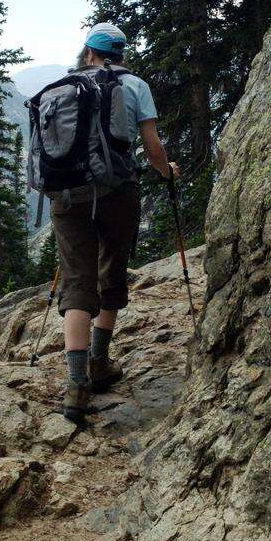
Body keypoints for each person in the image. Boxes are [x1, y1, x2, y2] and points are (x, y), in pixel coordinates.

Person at [50, 22, 180, 423]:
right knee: (111, 271)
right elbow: (152, 147)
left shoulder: (63, 86)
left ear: (88, 53)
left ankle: (76, 387)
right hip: (117, 192)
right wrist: (167, 171)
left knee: (76, 282)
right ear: (121, 54)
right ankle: (99, 361)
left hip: (67, 195)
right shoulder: (135, 85)